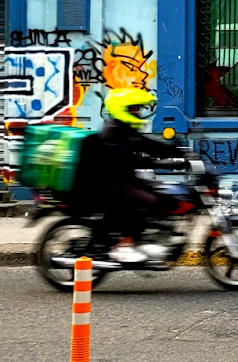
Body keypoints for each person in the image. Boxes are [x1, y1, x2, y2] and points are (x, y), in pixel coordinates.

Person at [73, 88, 187, 264]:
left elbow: (149, 146)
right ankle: (124, 246)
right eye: (135, 108)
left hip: (122, 180)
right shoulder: (113, 132)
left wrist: (179, 152)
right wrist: (163, 164)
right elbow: (129, 160)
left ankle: (149, 238)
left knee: (162, 195)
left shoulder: (124, 129)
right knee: (149, 201)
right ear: (122, 109)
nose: (139, 112)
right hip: (111, 184)